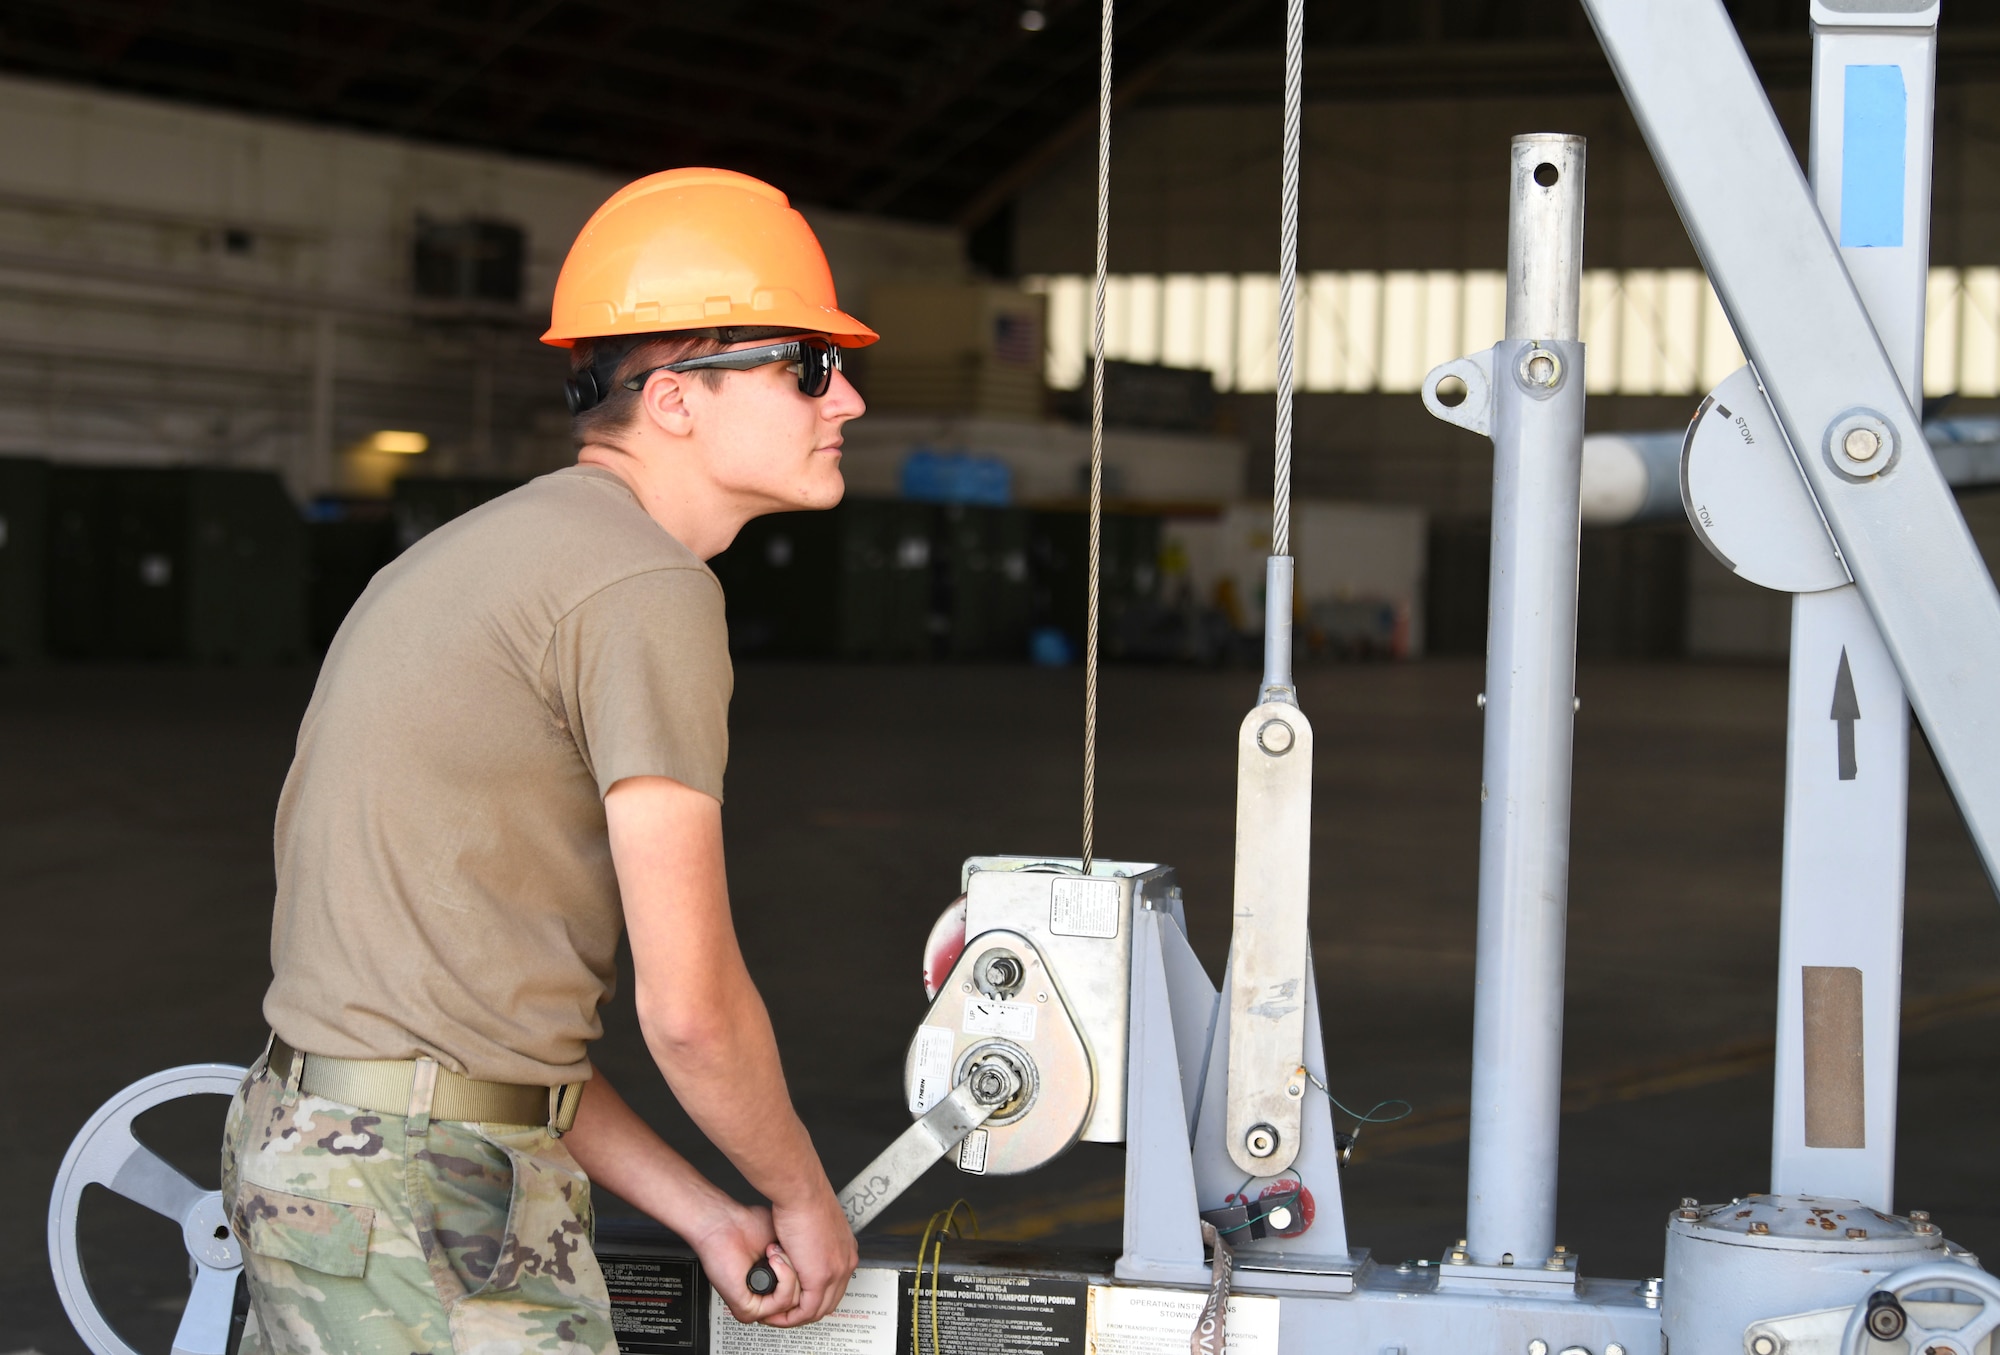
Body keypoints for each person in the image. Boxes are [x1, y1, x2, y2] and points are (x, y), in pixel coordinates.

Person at [220, 167, 872, 1355]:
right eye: (808, 367)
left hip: (332, 1165)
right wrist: (801, 1198)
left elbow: (487, 1038)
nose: (850, 400)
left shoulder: (479, 553)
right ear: (672, 398)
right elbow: (691, 1013)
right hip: (424, 1203)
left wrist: (706, 1212)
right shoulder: (643, 586)